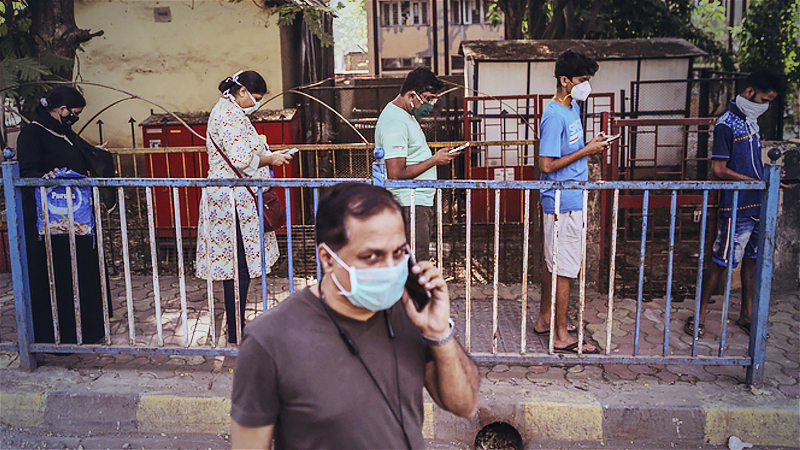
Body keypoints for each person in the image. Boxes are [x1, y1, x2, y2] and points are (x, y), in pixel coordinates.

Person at [230, 182, 479, 449]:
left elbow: (465, 405)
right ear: (327, 259)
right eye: (372, 256)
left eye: (398, 253)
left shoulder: (412, 311)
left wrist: (439, 333)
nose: (390, 268)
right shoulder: (269, 339)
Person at [684, 69, 785, 339]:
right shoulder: (726, 124)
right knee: (720, 261)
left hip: (757, 205)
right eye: (764, 100)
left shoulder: (752, 122)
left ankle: (747, 315)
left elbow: (752, 163)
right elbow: (719, 169)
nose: (766, 106)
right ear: (750, 92)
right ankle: (699, 316)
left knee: (752, 259)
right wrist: (755, 182)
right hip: (737, 206)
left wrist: (768, 181)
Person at [195, 70, 293, 346]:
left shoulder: (230, 111)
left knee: (238, 267)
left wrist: (267, 155)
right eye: (256, 98)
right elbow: (240, 159)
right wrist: (270, 159)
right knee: (238, 268)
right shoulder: (229, 115)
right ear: (241, 92)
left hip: (236, 200)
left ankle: (236, 324)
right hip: (232, 203)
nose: (256, 103)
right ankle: (235, 331)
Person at [17, 86, 112, 344]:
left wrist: (94, 152)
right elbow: (27, 172)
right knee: (57, 275)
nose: (76, 118)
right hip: (50, 220)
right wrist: (45, 177)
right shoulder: (32, 134)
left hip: (76, 215)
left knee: (82, 270)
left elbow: (79, 152)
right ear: (61, 110)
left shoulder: (63, 131)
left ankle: (88, 331)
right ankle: (61, 336)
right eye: (75, 113)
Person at [533, 50, 611, 354]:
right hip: (561, 200)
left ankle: (545, 319)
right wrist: (587, 151)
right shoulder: (554, 116)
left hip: (571, 196)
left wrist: (591, 146)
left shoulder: (572, 107)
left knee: (554, 263)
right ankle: (560, 335)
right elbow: (546, 164)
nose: (586, 85)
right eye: (582, 79)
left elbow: (571, 149)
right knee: (563, 268)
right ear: (565, 80)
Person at [377, 67, 462, 262]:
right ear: (411, 95)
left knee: (415, 260)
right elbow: (396, 173)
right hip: (409, 204)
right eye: (429, 98)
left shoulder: (405, 116)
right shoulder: (395, 122)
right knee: (415, 261)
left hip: (416, 202)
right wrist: (434, 160)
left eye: (434, 100)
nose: (431, 105)